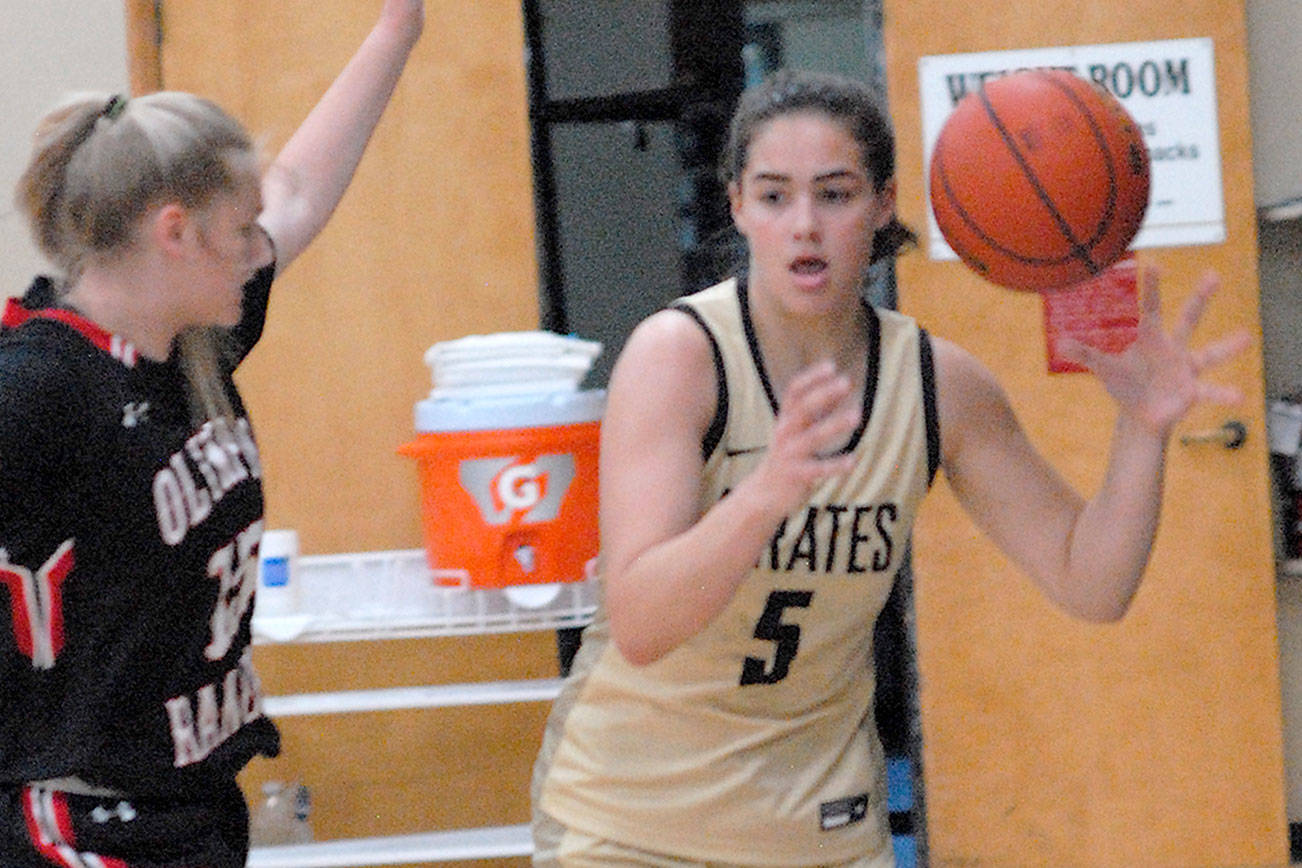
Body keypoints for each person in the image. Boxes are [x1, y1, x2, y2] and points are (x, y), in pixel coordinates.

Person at [531, 68, 1249, 867]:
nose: (805, 224)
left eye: (835, 195)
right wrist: (766, 494)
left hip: (821, 827)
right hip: (633, 825)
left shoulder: (939, 383)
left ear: (882, 204)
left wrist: (1142, 434)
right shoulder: (681, 357)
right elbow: (640, 622)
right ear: (737, 205)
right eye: (774, 196)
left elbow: (1094, 582)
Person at [0, 1, 423, 865]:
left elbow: (301, 188)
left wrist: (398, 29)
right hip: (81, 825)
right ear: (175, 234)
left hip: (194, 807)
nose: (259, 249)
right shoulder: (41, 385)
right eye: (241, 232)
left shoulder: (195, 338)